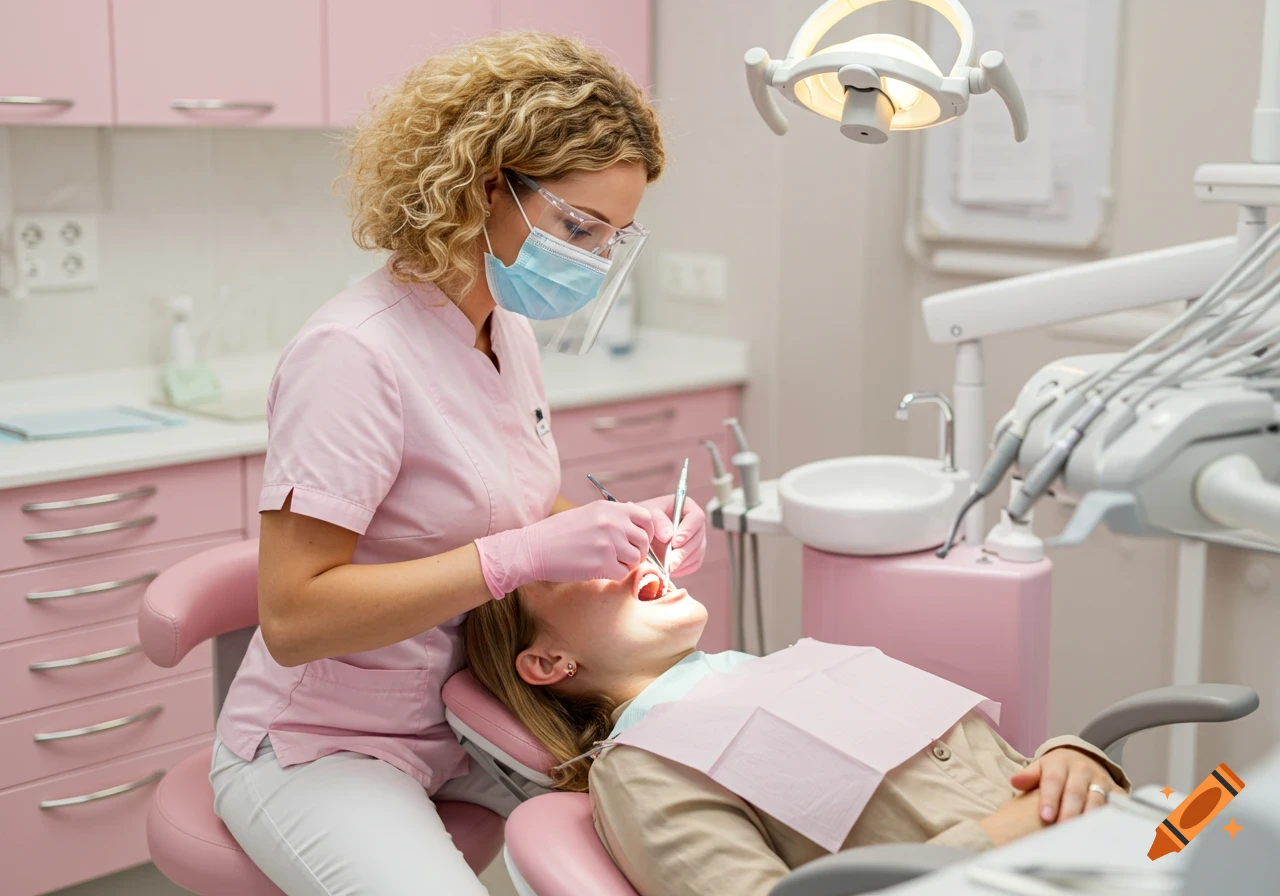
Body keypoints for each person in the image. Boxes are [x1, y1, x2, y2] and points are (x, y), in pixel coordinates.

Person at [208, 33, 707, 896]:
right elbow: (291, 618)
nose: (591, 263)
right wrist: (521, 557)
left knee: (693, 829)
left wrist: (621, 530)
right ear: (484, 186)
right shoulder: (354, 354)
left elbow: (505, 503)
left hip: (470, 711)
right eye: (578, 228)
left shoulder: (503, 330)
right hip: (330, 741)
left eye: (610, 240)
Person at [464, 563, 1132, 896]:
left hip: (1141, 838)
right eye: (578, 569)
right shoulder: (642, 767)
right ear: (548, 662)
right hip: (1058, 876)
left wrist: (1074, 758)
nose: (632, 559)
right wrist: (1000, 837)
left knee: (1201, 808)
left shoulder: (799, 671)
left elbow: (995, 770)